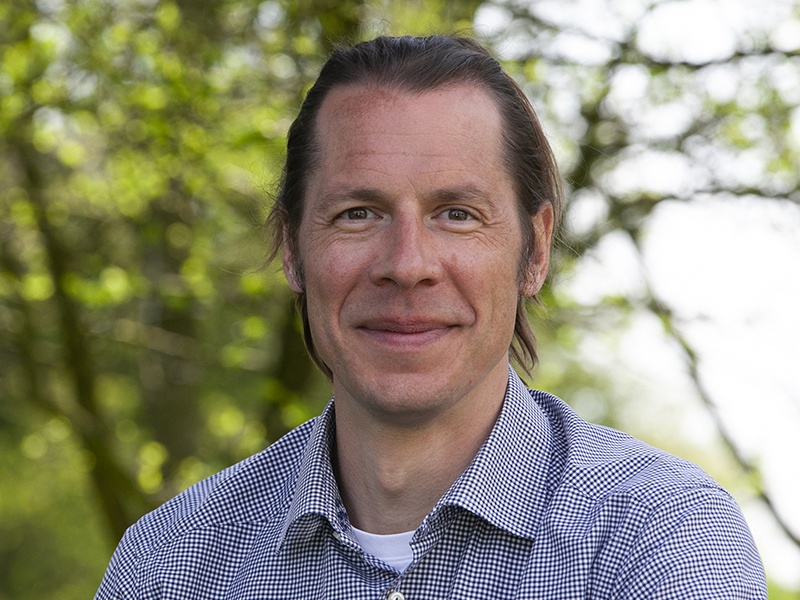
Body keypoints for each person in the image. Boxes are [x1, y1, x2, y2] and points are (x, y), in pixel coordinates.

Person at [95, 35, 767, 599]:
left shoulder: (663, 538)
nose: (407, 263)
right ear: (293, 250)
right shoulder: (169, 565)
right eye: (358, 213)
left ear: (535, 251)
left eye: (457, 214)